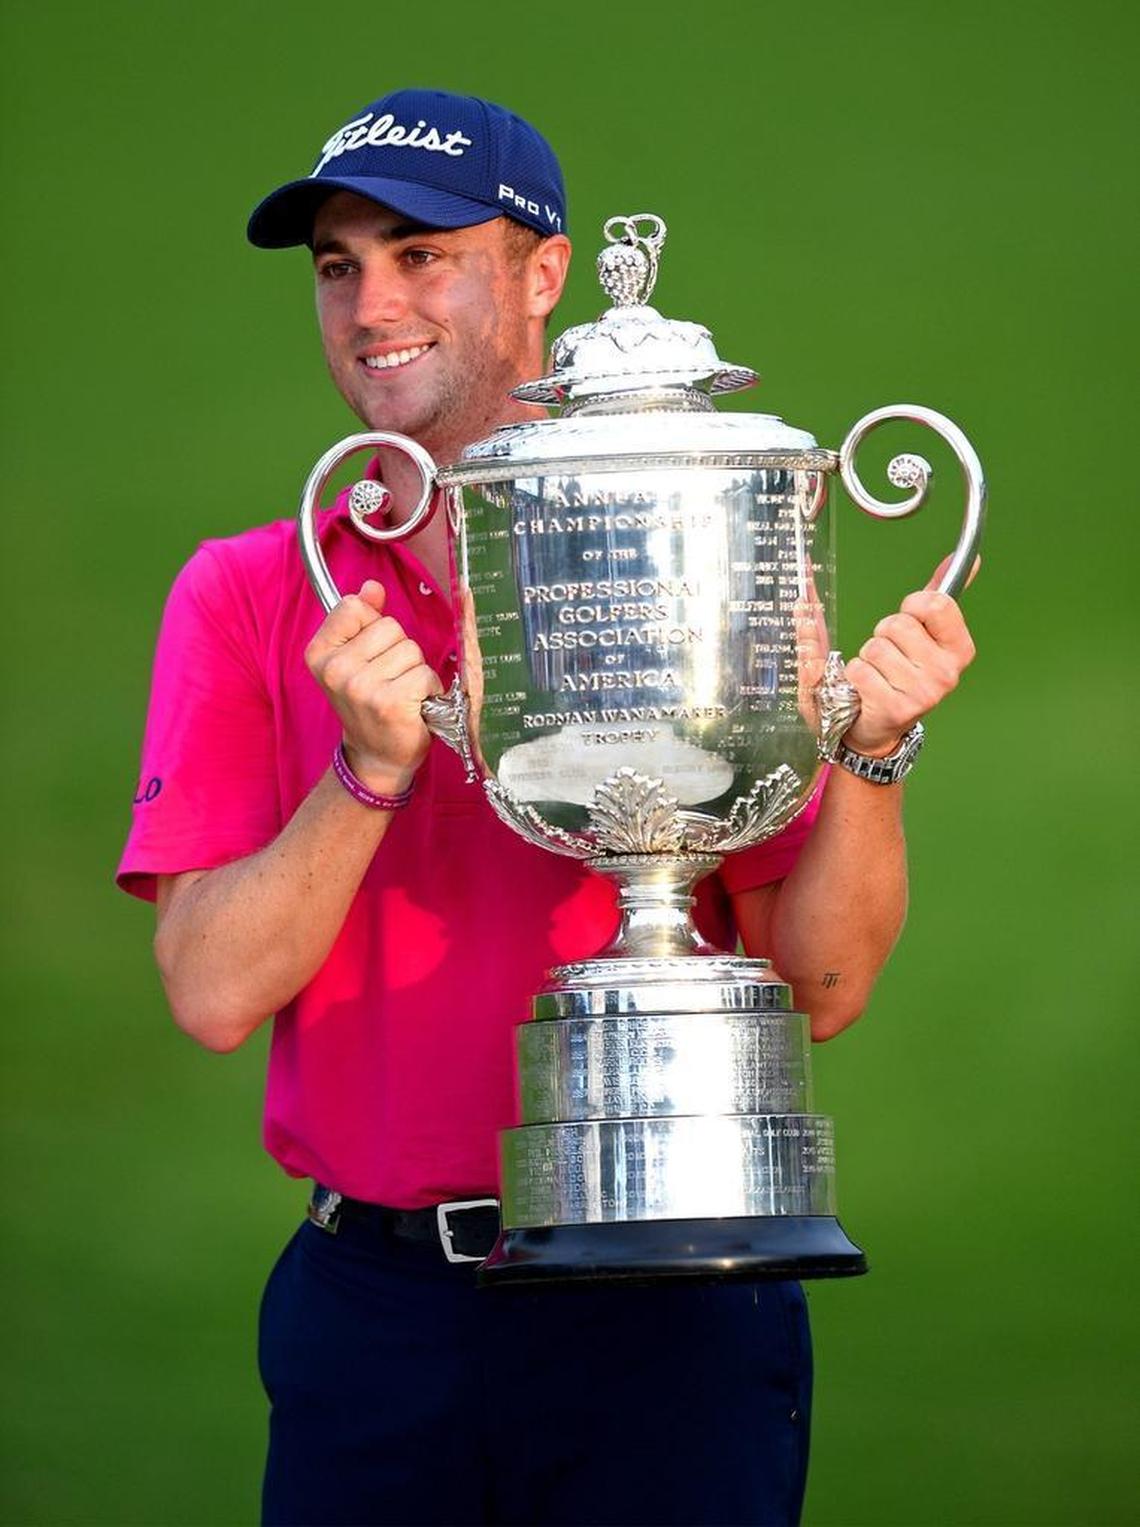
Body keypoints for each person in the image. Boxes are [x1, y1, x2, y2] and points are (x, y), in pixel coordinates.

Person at [118, 88, 977, 1527]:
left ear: (543, 273)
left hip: (672, 1296)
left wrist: (872, 751)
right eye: (339, 266)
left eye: (418, 252)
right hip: (374, 1309)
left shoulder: (705, 550)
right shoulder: (255, 591)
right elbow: (209, 991)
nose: (371, 303)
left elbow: (820, 982)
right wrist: (367, 773)